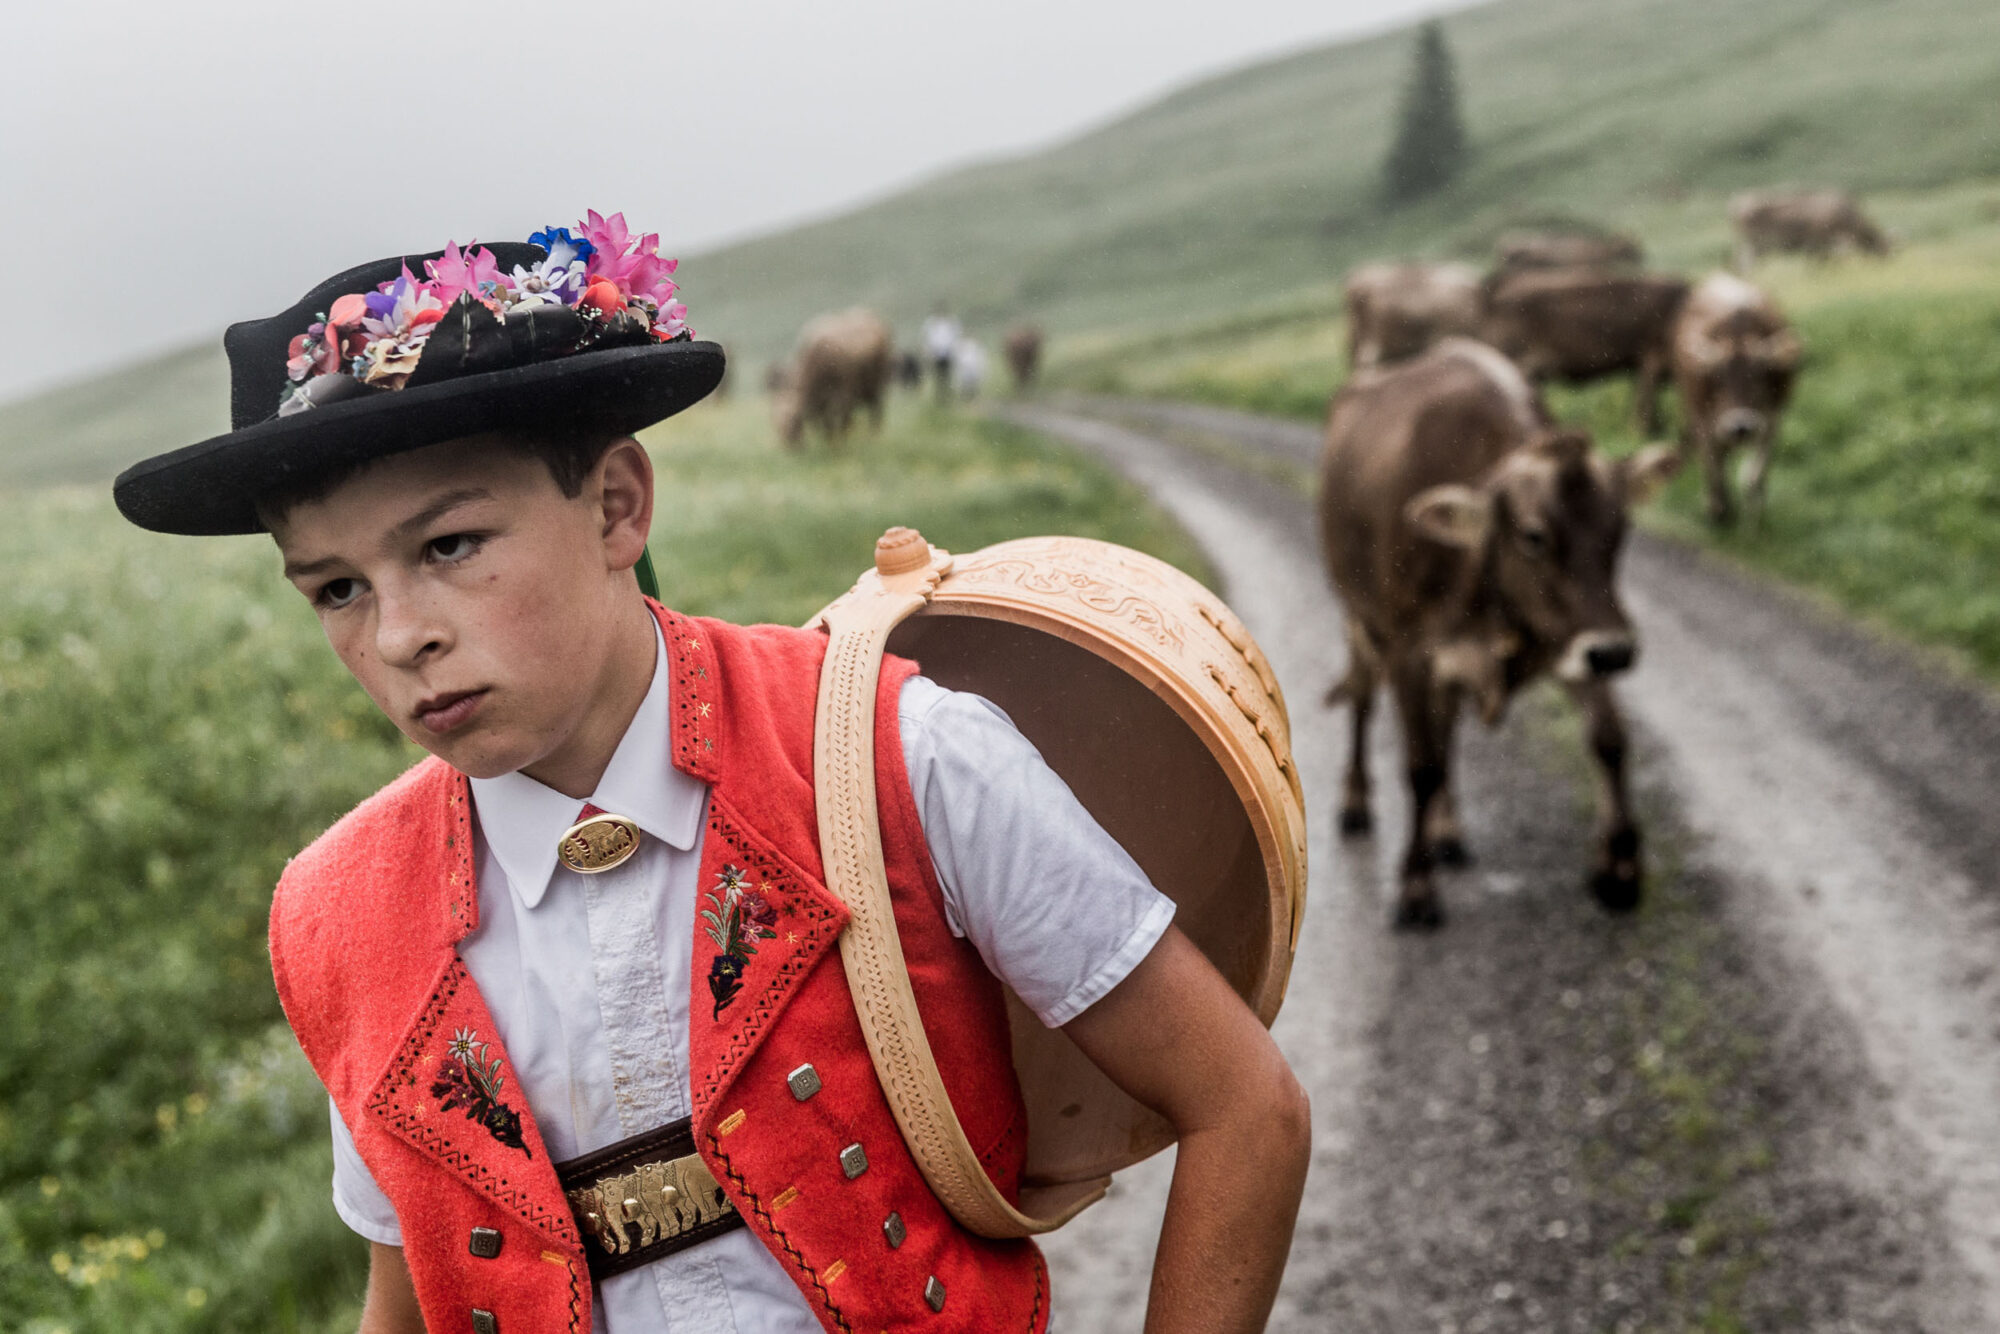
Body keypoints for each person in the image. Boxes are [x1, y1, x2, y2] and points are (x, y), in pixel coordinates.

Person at [113, 212, 1310, 1334]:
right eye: (336, 587)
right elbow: (411, 1292)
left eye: (450, 544)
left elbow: (1245, 1109)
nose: (396, 635)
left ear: (617, 505)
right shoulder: (338, 918)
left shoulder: (894, 753)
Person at [920, 304, 961, 402]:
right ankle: (939, 395)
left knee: (947, 375)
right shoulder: (931, 324)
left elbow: (956, 337)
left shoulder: (950, 323)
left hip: (948, 353)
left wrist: (955, 350)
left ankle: (947, 394)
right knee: (938, 376)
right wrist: (928, 352)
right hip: (936, 354)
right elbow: (926, 338)